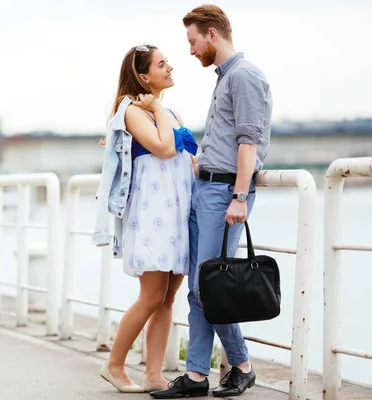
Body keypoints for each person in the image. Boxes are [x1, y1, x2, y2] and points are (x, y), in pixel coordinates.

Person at [150, 5, 272, 399]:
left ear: (212, 35)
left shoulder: (246, 76)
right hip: (206, 188)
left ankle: (241, 364)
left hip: (224, 195)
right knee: (199, 287)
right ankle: (198, 375)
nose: (190, 51)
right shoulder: (225, 78)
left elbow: (248, 142)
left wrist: (238, 195)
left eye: (192, 41)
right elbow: (228, 141)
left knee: (209, 287)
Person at [92, 44, 198, 393]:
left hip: (178, 212)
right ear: (143, 75)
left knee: (167, 298)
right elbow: (165, 148)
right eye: (161, 64)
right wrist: (156, 109)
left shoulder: (169, 112)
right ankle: (114, 364)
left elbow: (189, 158)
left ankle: (154, 374)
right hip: (154, 213)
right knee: (151, 295)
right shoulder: (134, 112)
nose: (170, 68)